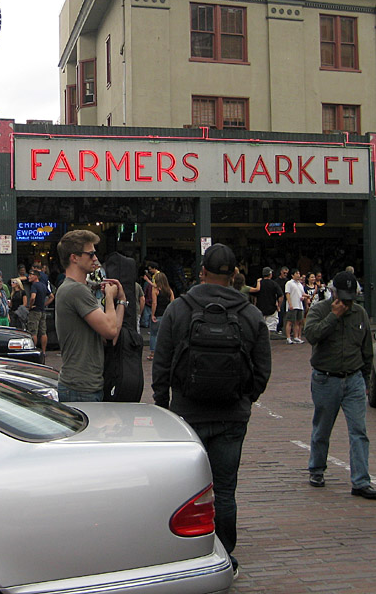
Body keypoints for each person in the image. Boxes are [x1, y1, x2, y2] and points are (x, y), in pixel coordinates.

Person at [151, 243, 272, 579]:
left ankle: (189, 551)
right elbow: (262, 369)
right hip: (232, 415)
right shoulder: (250, 314)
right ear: (233, 275)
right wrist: (246, 398)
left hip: (187, 414)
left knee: (186, 490)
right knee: (225, 490)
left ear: (202, 271)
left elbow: (162, 363)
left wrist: (163, 404)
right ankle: (224, 554)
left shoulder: (179, 308)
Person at [303, 270, 376, 500]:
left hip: (353, 378)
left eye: (350, 298)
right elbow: (311, 335)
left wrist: (365, 380)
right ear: (333, 293)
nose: (347, 303)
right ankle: (317, 469)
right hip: (326, 378)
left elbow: (367, 349)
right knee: (322, 428)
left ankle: (361, 481)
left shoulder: (360, 313)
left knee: (359, 431)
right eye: (343, 298)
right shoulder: (320, 310)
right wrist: (333, 316)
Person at [53, 229, 126, 402]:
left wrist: (122, 301)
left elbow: (110, 335)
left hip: (84, 386)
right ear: (74, 257)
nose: (95, 258)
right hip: (81, 388)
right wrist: (110, 297)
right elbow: (110, 331)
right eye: (91, 254)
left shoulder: (76, 289)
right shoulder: (76, 290)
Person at [148, 270, 174, 360]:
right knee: (165, 335)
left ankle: (152, 353)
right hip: (166, 315)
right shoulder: (169, 290)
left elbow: (154, 303)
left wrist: (152, 314)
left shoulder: (155, 290)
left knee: (154, 334)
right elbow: (172, 302)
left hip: (158, 314)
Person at [27, 269, 53, 355]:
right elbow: (52, 296)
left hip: (35, 311)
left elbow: (33, 297)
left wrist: (30, 306)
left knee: (33, 331)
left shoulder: (34, 286)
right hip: (42, 311)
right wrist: (45, 304)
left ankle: (33, 351)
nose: (29, 276)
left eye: (31, 275)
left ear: (36, 276)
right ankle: (44, 351)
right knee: (43, 332)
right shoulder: (43, 285)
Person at [254, 266, 283, 334]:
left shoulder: (259, 283)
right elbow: (281, 296)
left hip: (260, 309)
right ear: (270, 274)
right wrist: (279, 306)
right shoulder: (274, 284)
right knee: (270, 330)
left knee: (260, 329)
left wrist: (255, 304)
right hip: (271, 309)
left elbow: (254, 295)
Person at [283, 269, 306, 344]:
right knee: (290, 321)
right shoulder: (289, 283)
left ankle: (296, 337)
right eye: (296, 273)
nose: (298, 275)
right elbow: (287, 293)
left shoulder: (300, 284)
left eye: (299, 273)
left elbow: (302, 294)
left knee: (298, 322)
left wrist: (304, 297)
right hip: (292, 305)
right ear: (292, 275)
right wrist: (290, 304)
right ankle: (288, 338)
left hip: (299, 305)